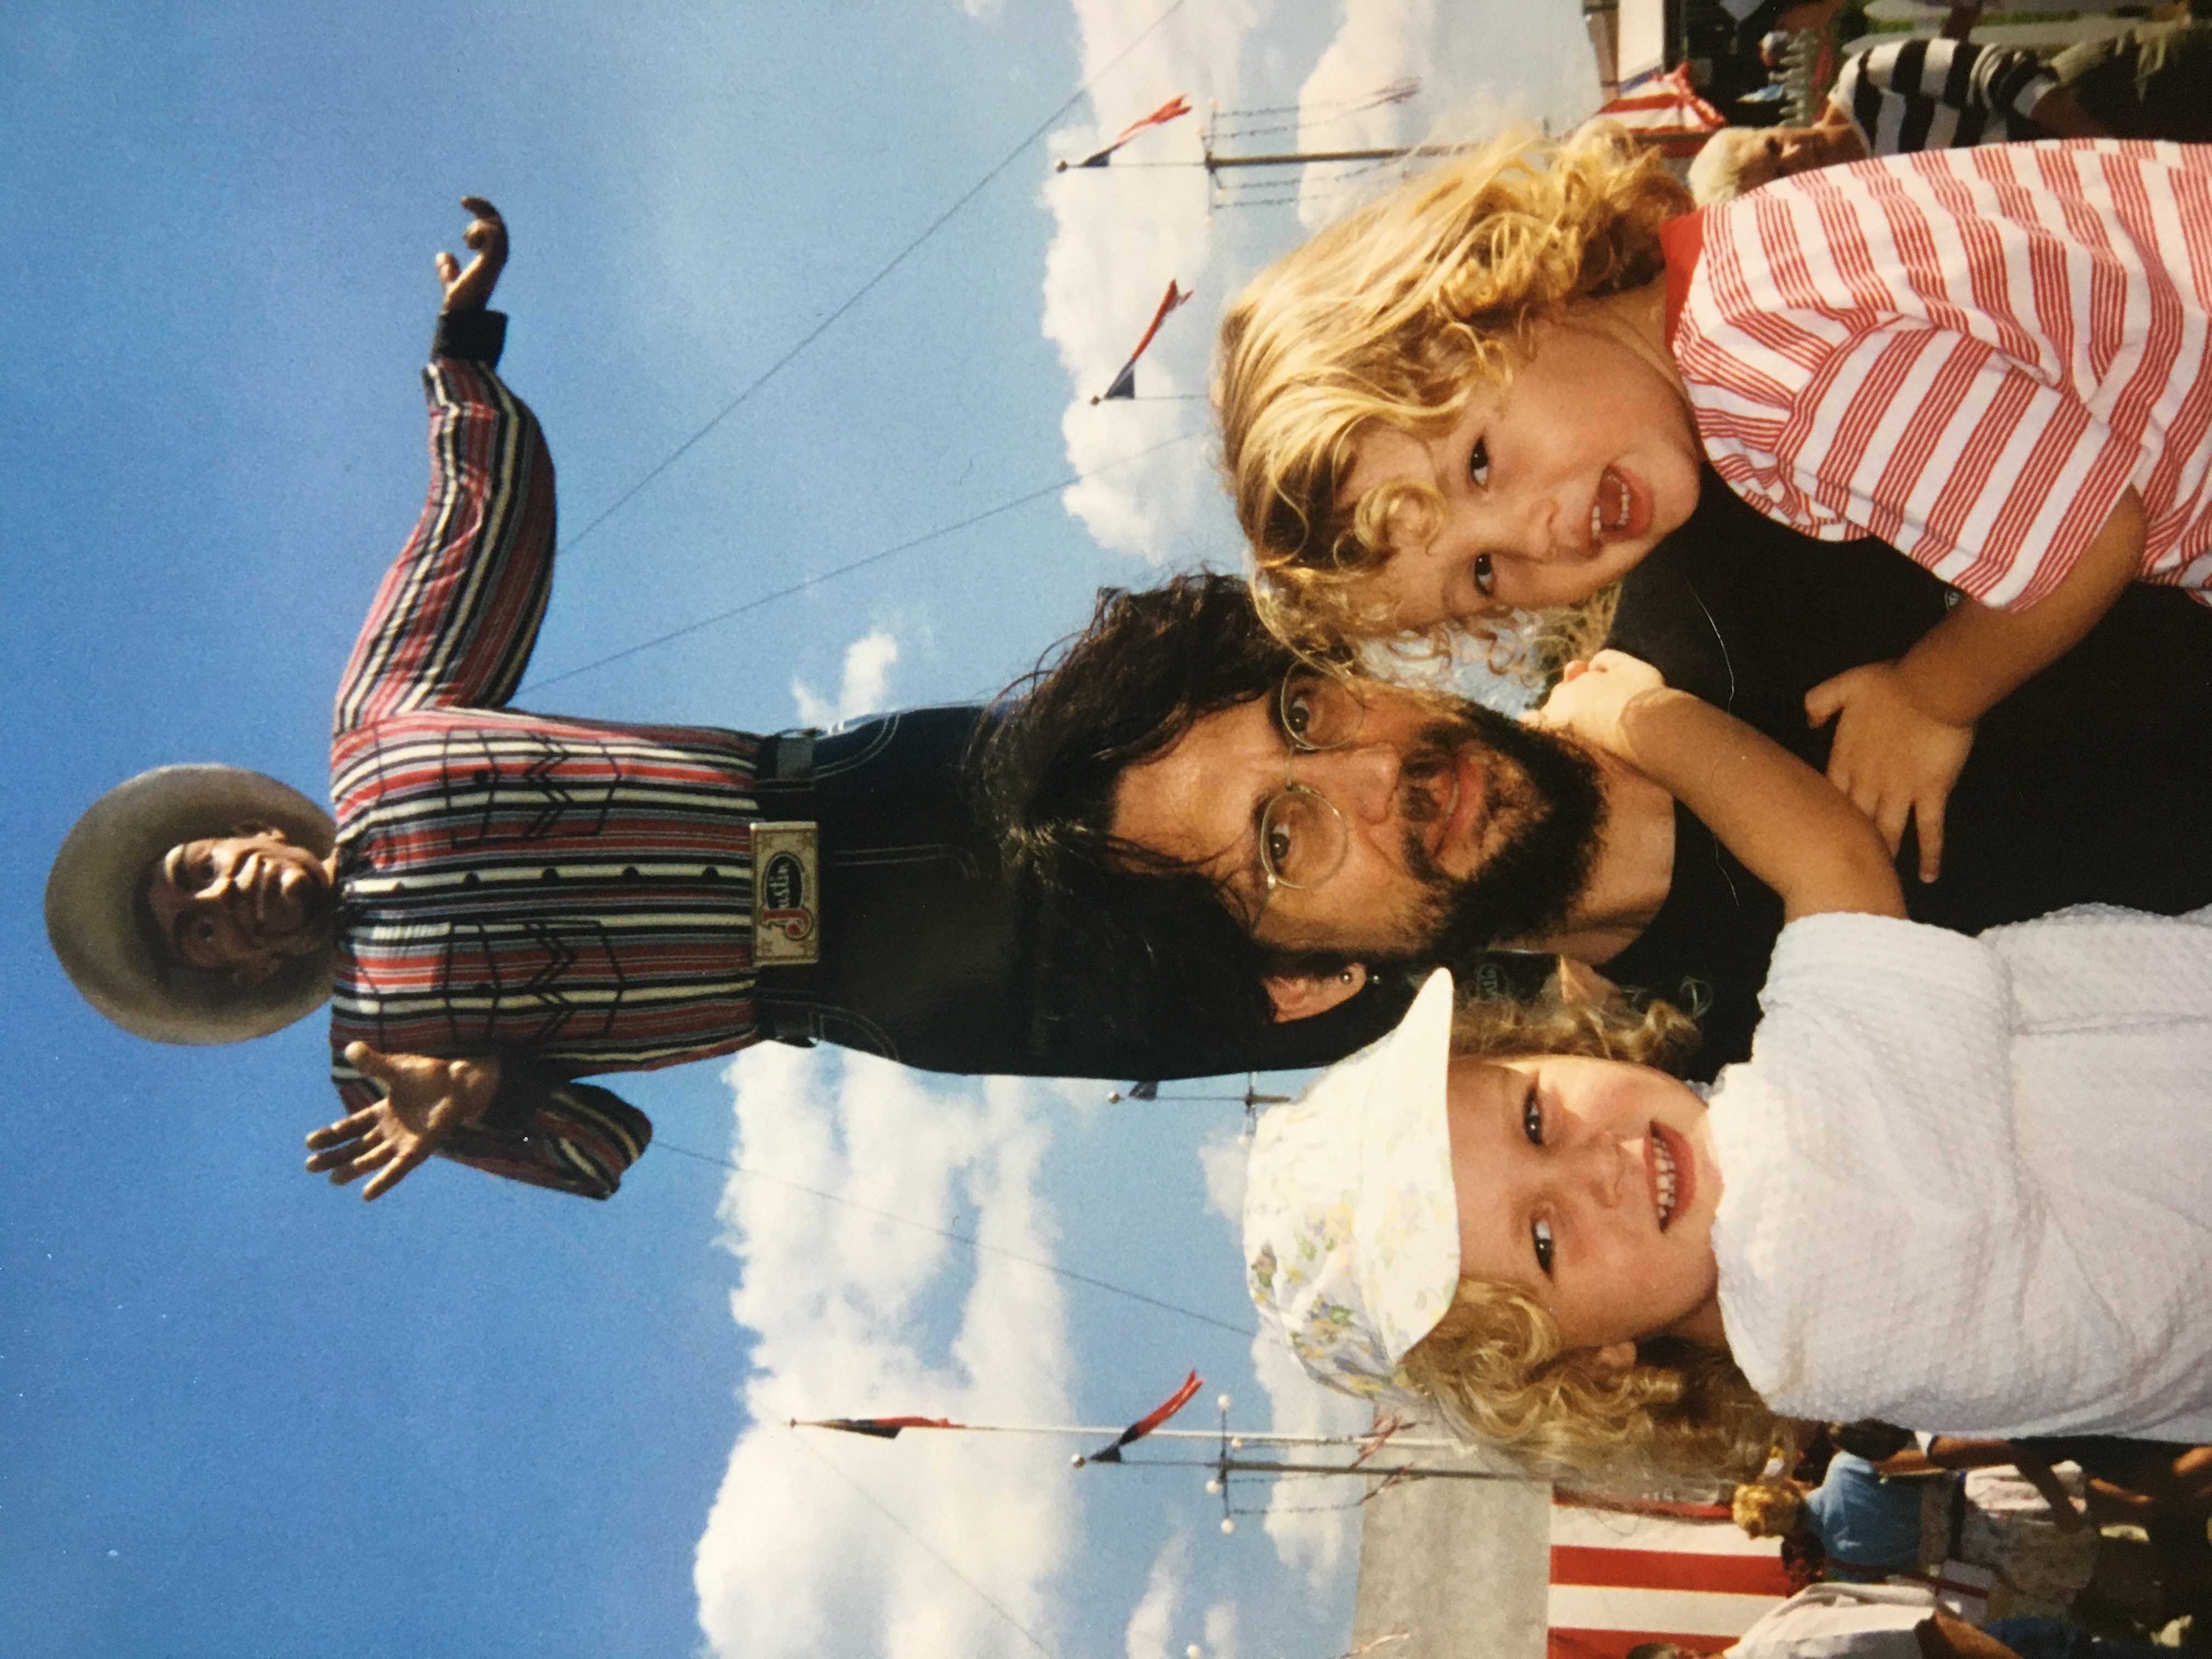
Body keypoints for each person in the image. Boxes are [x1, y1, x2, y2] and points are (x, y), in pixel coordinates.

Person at [41, 200, 1362, 1204]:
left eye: (197, 870)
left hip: (848, 792)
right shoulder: (380, 1063)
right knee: (1221, 994)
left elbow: (485, 525)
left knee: (1192, 778)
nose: (219, 904)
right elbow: (604, 1150)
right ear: (239, 978)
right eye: (196, 937)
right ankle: (1462, 988)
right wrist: (478, 1094)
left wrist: (460, 355)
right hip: (859, 979)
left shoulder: (379, 737)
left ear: (240, 827)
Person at [1239, 652, 2212, 1483]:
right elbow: (1834, 861)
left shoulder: (1799, 1349)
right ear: (1595, 1366)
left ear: (1536, 1048)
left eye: (1535, 1118)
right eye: (1542, 1239)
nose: (1597, 1169)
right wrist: (1628, 713)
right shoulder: (1794, 1232)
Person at [1215, 128, 2212, 878]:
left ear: (1502, 300)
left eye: (1479, 463)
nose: (1535, 533)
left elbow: (2083, 540)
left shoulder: (1770, 385)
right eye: (1483, 574)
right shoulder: (1738, 257)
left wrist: (1927, 697)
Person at [1688, 35, 2113, 205]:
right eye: (1781, 174)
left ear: (1771, 128)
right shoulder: (1868, 202)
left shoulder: (1867, 81)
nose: (1798, 152)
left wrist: (2105, 150)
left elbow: (1996, 72)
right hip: (2077, 183)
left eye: (1774, 146)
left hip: (2097, 101)